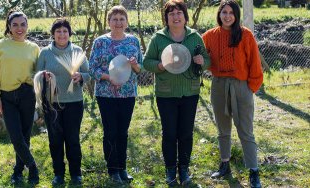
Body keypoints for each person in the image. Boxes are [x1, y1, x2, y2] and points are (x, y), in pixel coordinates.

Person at [143, 0, 210, 186]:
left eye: (179, 12)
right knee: (170, 133)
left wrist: (201, 61)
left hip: (190, 92)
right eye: (171, 13)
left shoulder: (195, 37)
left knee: (186, 133)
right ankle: (170, 170)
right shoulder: (158, 38)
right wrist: (159, 65)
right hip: (166, 94)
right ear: (166, 18)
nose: (176, 16)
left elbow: (207, 59)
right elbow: (146, 62)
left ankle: (185, 170)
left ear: (185, 16)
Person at [202, 0, 263, 187]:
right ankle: (225, 164)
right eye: (224, 12)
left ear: (236, 15)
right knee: (222, 129)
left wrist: (250, 88)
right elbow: (202, 56)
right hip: (219, 85)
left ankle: (253, 171)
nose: (227, 16)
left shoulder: (246, 35)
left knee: (245, 130)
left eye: (231, 12)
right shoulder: (209, 36)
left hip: (241, 86)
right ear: (219, 14)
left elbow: (254, 63)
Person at [0, 11, 40, 185]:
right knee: (15, 136)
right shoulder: (0, 46)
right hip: (7, 97)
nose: (19, 28)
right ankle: (32, 166)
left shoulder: (34, 48)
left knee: (24, 136)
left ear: (27, 26)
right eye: (15, 24)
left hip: (27, 95)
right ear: (9, 26)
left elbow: (38, 73)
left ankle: (17, 171)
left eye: (23, 24)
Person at [89, 5, 142, 184]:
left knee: (123, 132)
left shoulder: (133, 41)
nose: (118, 22)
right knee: (110, 132)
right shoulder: (100, 42)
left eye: (121, 19)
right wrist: (108, 77)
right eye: (115, 19)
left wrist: (134, 64)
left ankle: (122, 168)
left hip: (127, 94)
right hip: (106, 94)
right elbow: (92, 68)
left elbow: (139, 68)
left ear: (126, 22)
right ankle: (112, 170)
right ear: (108, 22)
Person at [35, 18, 90, 186]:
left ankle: (76, 173)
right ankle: (58, 173)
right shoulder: (45, 53)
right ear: (53, 34)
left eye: (65, 31)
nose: (62, 34)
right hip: (52, 103)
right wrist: (44, 78)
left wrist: (81, 76)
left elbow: (89, 74)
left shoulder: (77, 51)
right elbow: (37, 76)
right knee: (55, 139)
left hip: (74, 102)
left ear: (69, 33)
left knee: (72, 138)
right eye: (58, 31)